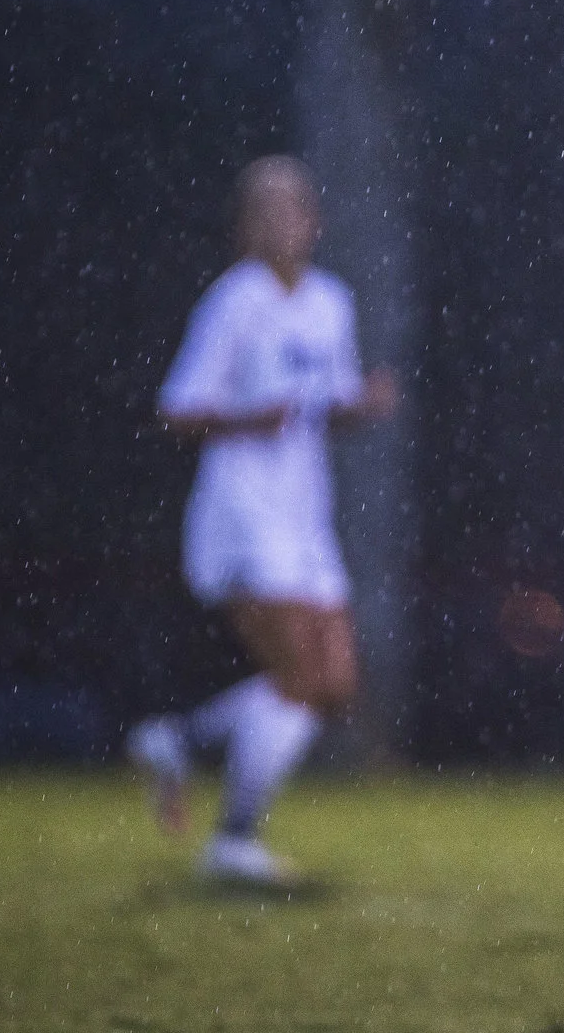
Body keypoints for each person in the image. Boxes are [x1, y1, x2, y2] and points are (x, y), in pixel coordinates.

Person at [126, 156, 398, 886]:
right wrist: (252, 418)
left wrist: (361, 405)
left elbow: (323, 404)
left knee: (333, 685)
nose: (286, 223)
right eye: (269, 211)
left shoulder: (329, 303)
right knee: (301, 676)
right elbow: (178, 409)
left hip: (306, 515)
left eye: (297, 209)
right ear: (246, 227)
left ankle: (179, 740)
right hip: (242, 513)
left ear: (315, 221)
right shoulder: (234, 303)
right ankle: (234, 838)